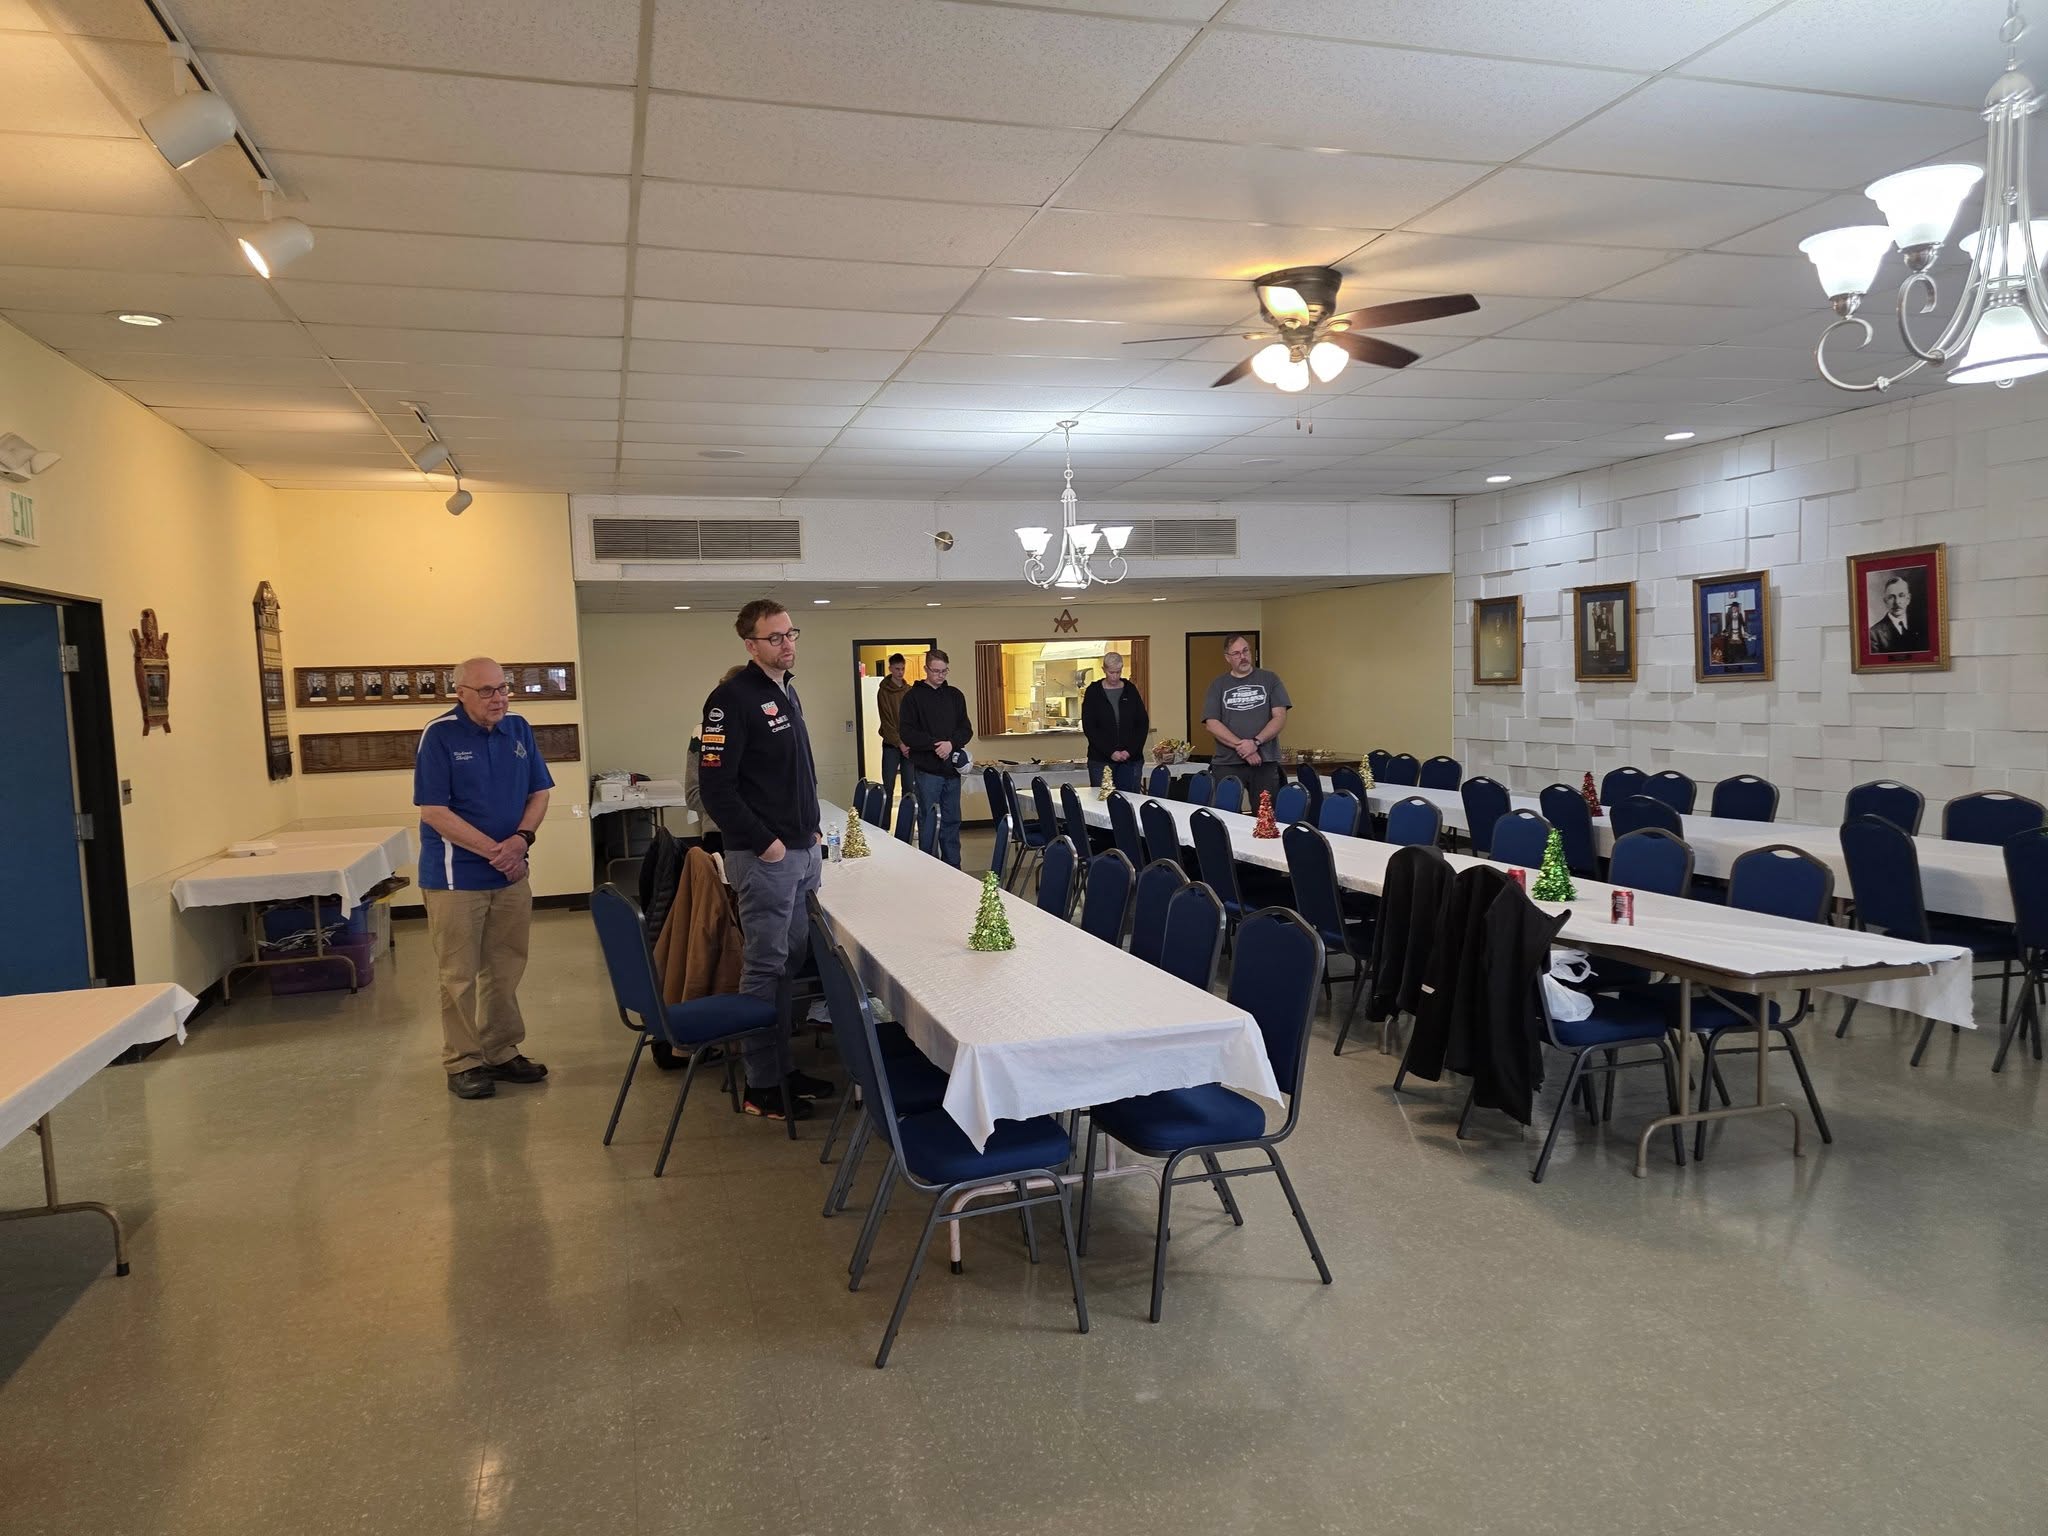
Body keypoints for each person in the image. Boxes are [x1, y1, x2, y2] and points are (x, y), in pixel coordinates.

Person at [695, 600, 832, 1122]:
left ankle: (783, 1067)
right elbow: (715, 788)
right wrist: (766, 842)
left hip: (801, 850)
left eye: (790, 633)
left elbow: (794, 773)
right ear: (750, 645)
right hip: (765, 857)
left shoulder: (786, 692)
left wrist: (810, 828)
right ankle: (762, 1082)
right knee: (766, 967)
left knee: (789, 964)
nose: (787, 643)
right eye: (775, 637)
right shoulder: (730, 699)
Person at [414, 656, 553, 1100]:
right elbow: (434, 812)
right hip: (456, 878)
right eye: (487, 690)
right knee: (459, 975)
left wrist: (521, 840)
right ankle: (464, 1061)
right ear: (460, 693)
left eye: (503, 688)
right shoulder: (440, 735)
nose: (499, 698)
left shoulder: (519, 729)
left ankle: (500, 1049)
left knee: (506, 965)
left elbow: (540, 792)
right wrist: (499, 852)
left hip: (511, 871)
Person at [898, 647, 973, 867]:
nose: (940, 675)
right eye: (935, 671)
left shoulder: (955, 696)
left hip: (952, 772)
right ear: (925, 669)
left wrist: (951, 744)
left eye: (944, 671)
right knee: (928, 820)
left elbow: (966, 729)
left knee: (952, 821)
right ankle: (930, 867)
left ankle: (954, 867)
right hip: (927, 771)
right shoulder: (913, 697)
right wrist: (934, 745)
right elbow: (907, 733)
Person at [1202, 634, 1290, 803]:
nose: (1242, 656)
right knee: (1225, 813)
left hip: (1264, 761)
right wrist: (1243, 747)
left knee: (1266, 815)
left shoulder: (1270, 679)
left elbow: (1279, 717)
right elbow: (1211, 723)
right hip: (1227, 763)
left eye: (1245, 651)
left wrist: (1255, 743)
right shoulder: (1218, 685)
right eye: (1236, 653)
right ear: (1227, 658)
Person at [1080, 650, 1148, 792]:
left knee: (1130, 799)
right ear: (1104, 670)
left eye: (1118, 672)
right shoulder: (1094, 692)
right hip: (1101, 760)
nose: (1115, 676)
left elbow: (1142, 724)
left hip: (1130, 760)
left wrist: (1129, 751)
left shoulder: (1130, 690)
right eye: (1111, 672)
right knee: (1104, 798)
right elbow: (1090, 727)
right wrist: (1110, 752)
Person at [875, 652, 910, 822]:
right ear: (890, 669)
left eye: (902, 669)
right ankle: (884, 825)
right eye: (897, 669)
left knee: (909, 788)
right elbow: (887, 721)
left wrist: (909, 743)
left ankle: (907, 825)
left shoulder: (909, 690)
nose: (900, 672)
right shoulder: (883, 692)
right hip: (891, 745)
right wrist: (900, 743)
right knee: (888, 786)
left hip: (909, 746)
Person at [1867, 571, 1927, 654]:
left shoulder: (1921, 626)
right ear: (1885, 601)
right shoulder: (1873, 634)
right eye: (1891, 597)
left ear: (1908, 599)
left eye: (1901, 595)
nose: (1897, 602)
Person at [1720, 597, 1750, 664]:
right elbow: (1727, 624)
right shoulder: (1728, 615)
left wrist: (1745, 631)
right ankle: (1731, 659)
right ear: (1732, 608)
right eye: (1733, 608)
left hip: (1738, 633)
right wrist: (1724, 631)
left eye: (1736, 608)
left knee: (1739, 646)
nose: (1734, 609)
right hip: (1731, 633)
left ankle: (1738, 659)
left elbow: (1743, 624)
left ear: (1737, 608)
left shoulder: (1740, 615)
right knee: (1731, 647)